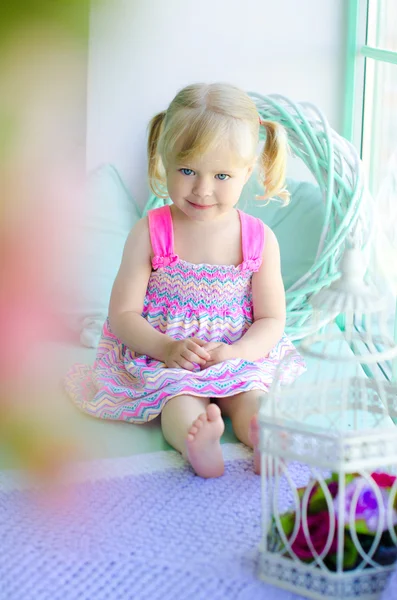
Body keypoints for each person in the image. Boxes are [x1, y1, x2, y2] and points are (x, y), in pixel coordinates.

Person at [65, 83, 306, 478]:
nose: (202, 189)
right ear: (166, 159)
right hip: (167, 353)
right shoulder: (151, 231)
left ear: (248, 172)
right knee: (177, 398)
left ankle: (262, 433)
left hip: (233, 353)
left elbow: (272, 320)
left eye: (222, 175)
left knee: (252, 396)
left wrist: (239, 352)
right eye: (187, 170)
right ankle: (196, 442)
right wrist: (166, 347)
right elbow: (123, 314)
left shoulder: (259, 238)